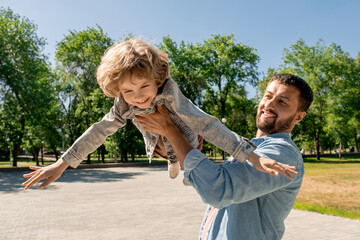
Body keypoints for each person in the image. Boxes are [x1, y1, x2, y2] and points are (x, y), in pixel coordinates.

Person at [22, 38, 295, 190]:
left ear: (157, 78)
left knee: (186, 136)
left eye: (144, 86)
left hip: (186, 129)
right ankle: (171, 157)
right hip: (153, 135)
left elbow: (207, 123)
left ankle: (185, 161)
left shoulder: (168, 92)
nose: (139, 97)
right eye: (128, 92)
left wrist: (251, 155)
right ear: (117, 91)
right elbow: (100, 130)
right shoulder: (124, 104)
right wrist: (63, 163)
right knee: (152, 133)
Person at [135, 73, 313, 239]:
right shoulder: (249, 149)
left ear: (298, 116)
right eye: (268, 96)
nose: (270, 104)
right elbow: (213, 180)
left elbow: (218, 190)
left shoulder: (282, 153)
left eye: (282, 101)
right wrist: (182, 147)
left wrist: (170, 130)